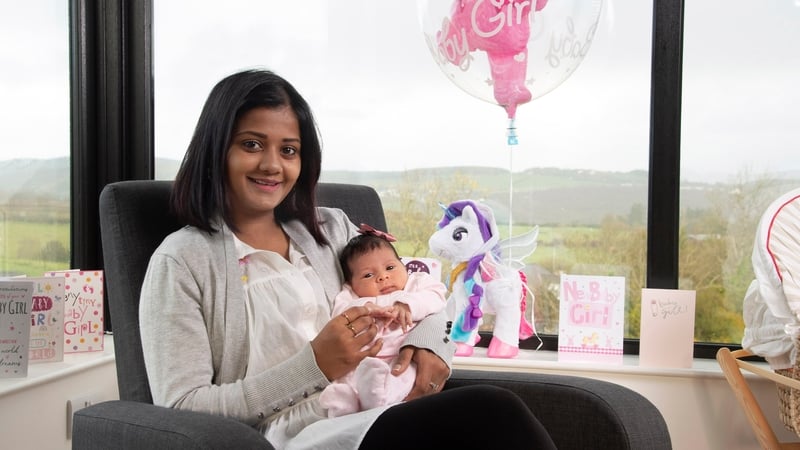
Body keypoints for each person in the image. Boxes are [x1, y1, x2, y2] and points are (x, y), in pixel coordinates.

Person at [138, 68, 557, 450]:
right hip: (287, 440)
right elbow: (180, 410)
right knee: (492, 411)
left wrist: (428, 342)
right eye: (251, 145)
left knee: (494, 416)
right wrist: (314, 365)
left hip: (371, 410)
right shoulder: (182, 262)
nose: (272, 165)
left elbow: (413, 287)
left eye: (289, 150)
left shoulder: (330, 230)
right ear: (216, 149)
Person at [319, 225, 448, 417]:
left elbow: (437, 297)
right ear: (351, 283)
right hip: (363, 360)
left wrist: (407, 305)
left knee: (403, 376)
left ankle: (377, 400)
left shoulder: (416, 284)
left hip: (401, 356)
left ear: (403, 265)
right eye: (368, 275)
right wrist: (366, 308)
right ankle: (347, 404)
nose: (383, 277)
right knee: (348, 380)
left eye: (390, 267)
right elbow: (339, 313)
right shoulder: (351, 295)